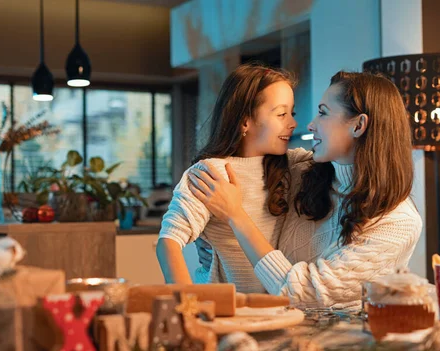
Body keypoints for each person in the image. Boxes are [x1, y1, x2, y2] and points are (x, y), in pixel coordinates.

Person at [188, 71, 423, 309]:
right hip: (274, 329)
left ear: (359, 125)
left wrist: (236, 217)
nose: (310, 124)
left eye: (323, 113)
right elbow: (239, 164)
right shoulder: (301, 171)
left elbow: (304, 293)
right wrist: (210, 232)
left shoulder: (398, 223)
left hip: (342, 343)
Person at [156, 63, 311, 293]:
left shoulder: (294, 165)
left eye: (292, 113)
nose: (293, 123)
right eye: (281, 114)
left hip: (277, 308)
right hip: (222, 309)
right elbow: (167, 243)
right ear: (244, 121)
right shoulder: (211, 173)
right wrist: (187, 306)